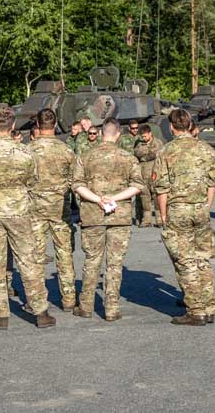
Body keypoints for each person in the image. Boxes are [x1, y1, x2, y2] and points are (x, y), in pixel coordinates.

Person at [0, 106, 55, 330]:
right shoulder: (25, 153)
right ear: (13, 126)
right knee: (28, 262)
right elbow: (33, 181)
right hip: (19, 212)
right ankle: (41, 312)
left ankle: (1, 315)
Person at [154, 108, 215, 326]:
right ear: (190, 125)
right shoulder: (206, 149)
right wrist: (207, 205)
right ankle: (209, 307)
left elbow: (161, 188)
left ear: (172, 127)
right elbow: (213, 182)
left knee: (185, 261)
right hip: (201, 209)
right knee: (202, 258)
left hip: (178, 210)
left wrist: (163, 215)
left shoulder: (166, 151)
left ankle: (196, 311)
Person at [73, 119, 144, 321]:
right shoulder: (128, 157)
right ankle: (111, 308)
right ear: (118, 133)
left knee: (92, 260)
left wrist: (98, 199)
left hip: (92, 215)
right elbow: (138, 185)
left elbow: (77, 184)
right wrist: (115, 198)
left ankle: (86, 305)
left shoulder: (85, 156)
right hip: (119, 216)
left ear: (101, 132)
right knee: (115, 264)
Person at [27, 108, 79, 311]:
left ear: (38, 126)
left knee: (36, 256)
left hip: (35, 208)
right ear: (55, 125)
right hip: (60, 208)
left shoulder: (28, 150)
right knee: (64, 254)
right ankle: (68, 299)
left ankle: (37, 299)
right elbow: (75, 180)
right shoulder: (66, 150)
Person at [133, 124, 161, 227]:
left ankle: (160, 219)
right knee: (145, 198)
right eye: (142, 136)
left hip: (155, 174)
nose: (143, 138)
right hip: (143, 174)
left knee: (157, 198)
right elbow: (137, 152)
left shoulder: (157, 142)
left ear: (150, 133)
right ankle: (147, 220)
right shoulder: (139, 143)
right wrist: (147, 154)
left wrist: (145, 157)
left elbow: (156, 153)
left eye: (145, 136)